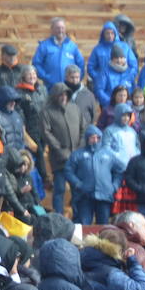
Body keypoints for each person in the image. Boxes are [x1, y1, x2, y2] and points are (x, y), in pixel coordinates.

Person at [41, 84, 81, 215]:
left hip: (76, 157)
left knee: (76, 189)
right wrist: (59, 148)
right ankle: (58, 215)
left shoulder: (75, 108)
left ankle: (76, 216)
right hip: (59, 158)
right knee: (59, 189)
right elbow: (46, 132)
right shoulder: (47, 111)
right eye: (60, 94)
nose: (63, 97)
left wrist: (79, 148)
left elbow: (83, 128)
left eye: (65, 94)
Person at [64, 125, 104, 224]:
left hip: (102, 195)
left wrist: (113, 186)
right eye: (92, 137)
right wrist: (78, 184)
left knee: (103, 225)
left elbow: (117, 170)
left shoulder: (106, 153)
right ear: (87, 138)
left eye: (97, 138)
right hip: (83, 195)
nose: (95, 140)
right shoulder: (77, 154)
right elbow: (68, 171)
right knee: (83, 223)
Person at [33, 18, 83, 89]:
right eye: (57, 28)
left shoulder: (72, 46)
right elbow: (36, 63)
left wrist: (76, 79)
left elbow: (81, 64)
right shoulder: (44, 46)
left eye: (62, 28)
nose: (60, 30)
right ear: (52, 30)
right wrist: (46, 77)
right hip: (50, 87)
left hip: (70, 88)